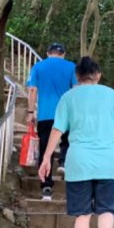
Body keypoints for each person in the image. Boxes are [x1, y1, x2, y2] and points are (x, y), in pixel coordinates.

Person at [38, 56, 114, 228]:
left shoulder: (68, 97)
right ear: (98, 75)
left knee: (82, 215)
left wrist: (46, 158)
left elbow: (57, 130)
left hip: (79, 162)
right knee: (107, 209)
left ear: (77, 76)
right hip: (108, 162)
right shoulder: (112, 96)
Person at [26, 42, 76, 200]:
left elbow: (32, 89)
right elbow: (76, 90)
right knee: (67, 141)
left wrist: (30, 111)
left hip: (45, 115)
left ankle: (46, 188)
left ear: (48, 53)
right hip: (66, 113)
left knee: (45, 150)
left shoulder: (38, 67)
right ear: (63, 54)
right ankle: (62, 163)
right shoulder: (71, 67)